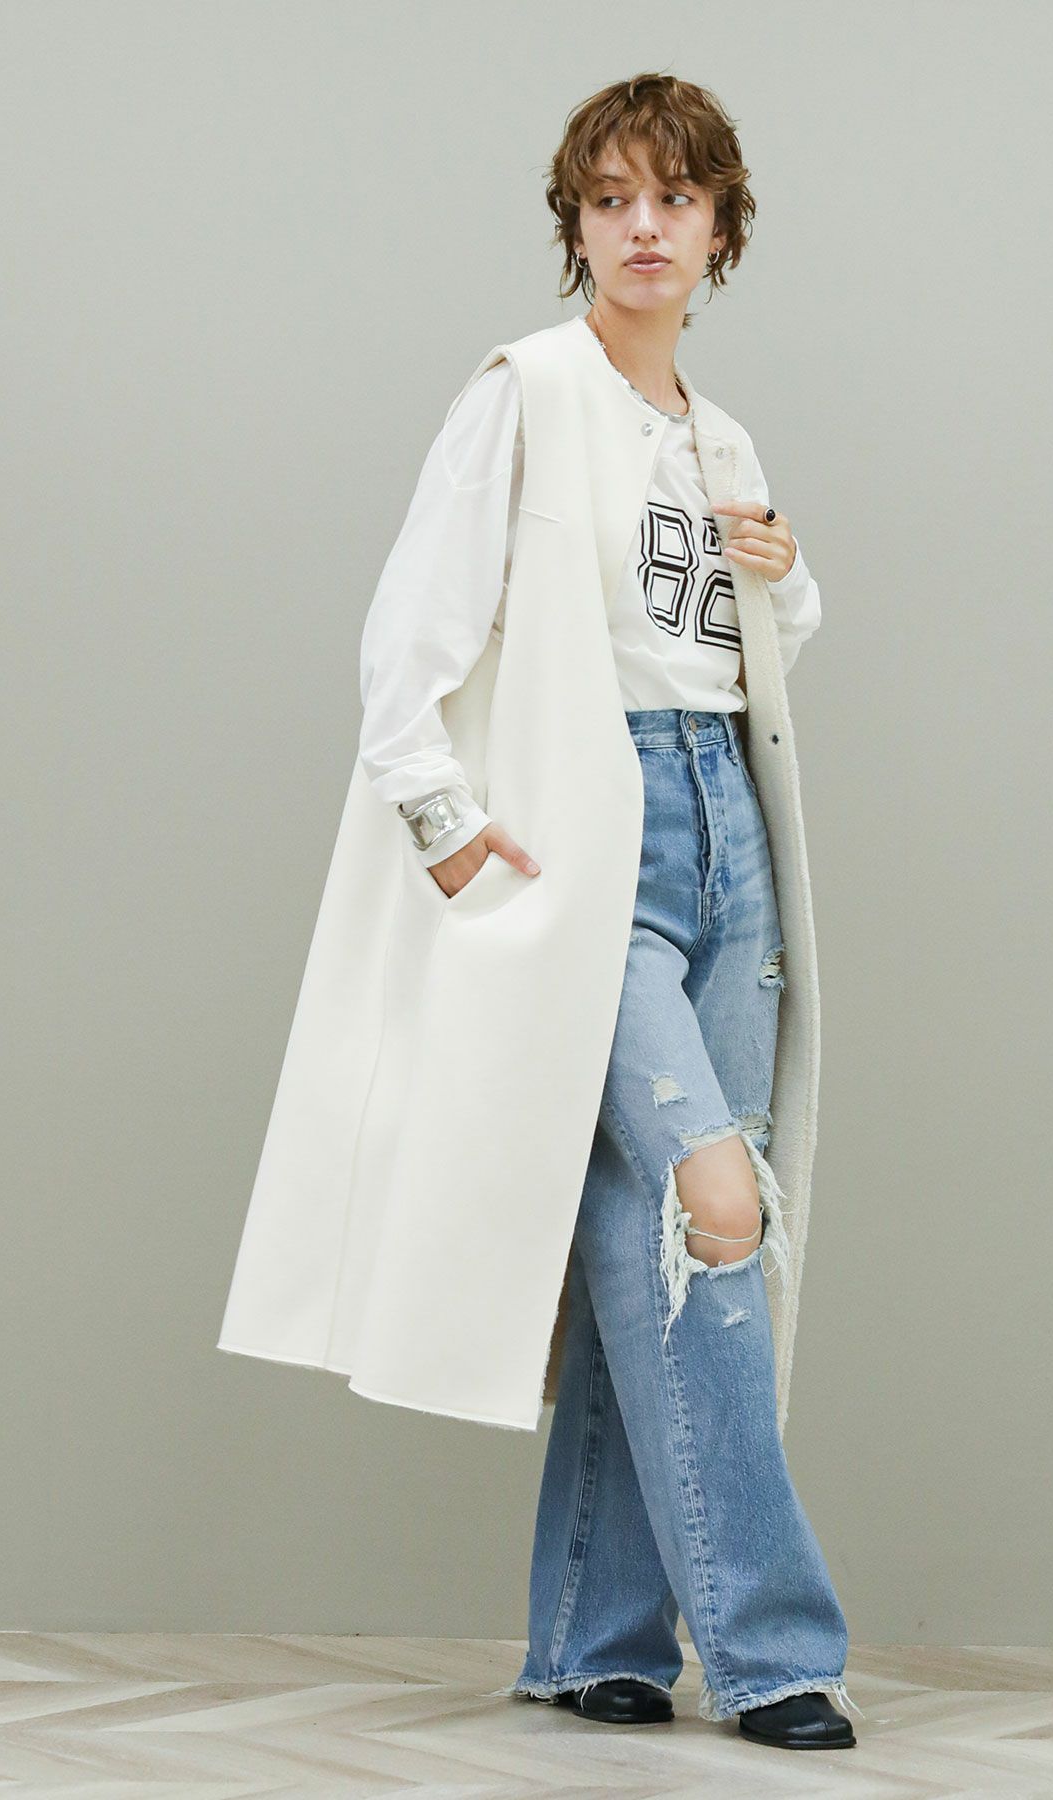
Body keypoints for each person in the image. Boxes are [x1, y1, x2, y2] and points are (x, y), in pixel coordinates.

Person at [356, 74, 860, 1752]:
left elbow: (748, 644)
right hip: (603, 837)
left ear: (722, 230)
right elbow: (412, 630)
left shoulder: (721, 438)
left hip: (734, 833)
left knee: (647, 1236)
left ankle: (595, 1638)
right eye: (612, 198)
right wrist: (445, 826)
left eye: (677, 198)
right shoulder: (526, 392)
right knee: (715, 1205)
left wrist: (787, 576)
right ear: (575, 224)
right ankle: (776, 1649)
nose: (645, 226)